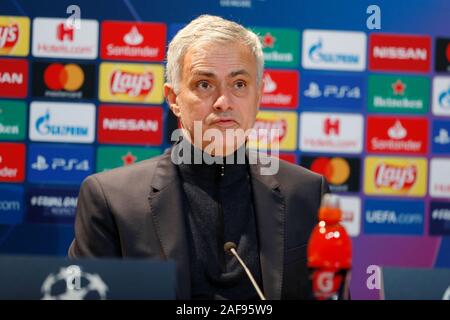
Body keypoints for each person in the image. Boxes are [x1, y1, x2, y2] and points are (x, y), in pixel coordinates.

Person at [68, 14, 329, 300]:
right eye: (204, 84)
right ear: (173, 99)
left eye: (239, 84)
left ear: (259, 95)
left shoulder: (306, 194)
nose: (223, 102)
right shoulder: (112, 199)